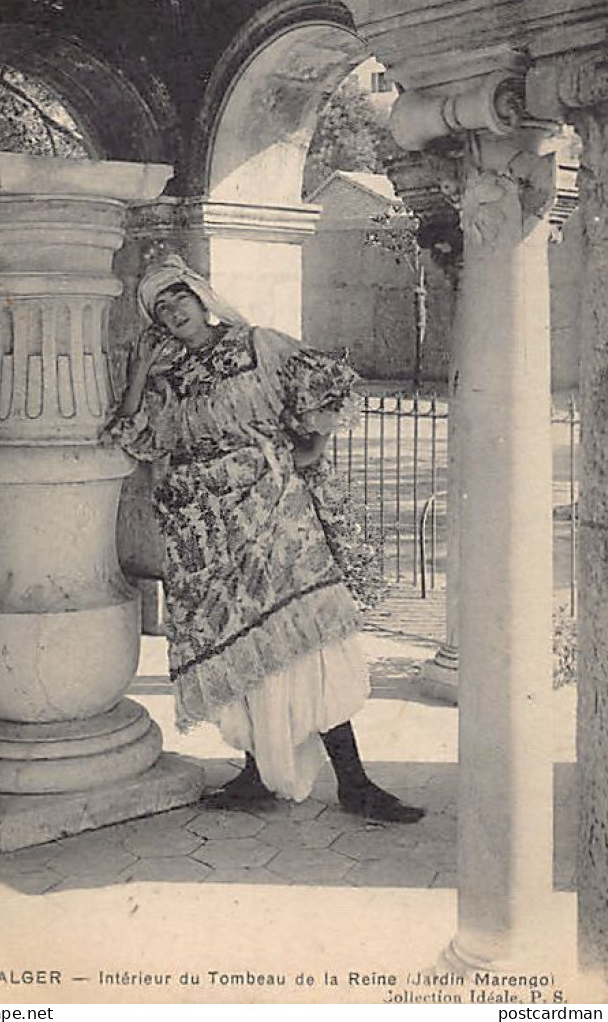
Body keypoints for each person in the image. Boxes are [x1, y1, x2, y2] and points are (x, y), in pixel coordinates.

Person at [105, 254, 424, 823]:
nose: (172, 311)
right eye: (160, 309)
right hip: (208, 534)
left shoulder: (260, 345)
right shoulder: (167, 378)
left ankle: (355, 783)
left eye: (178, 298)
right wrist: (138, 373)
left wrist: (312, 448)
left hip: (277, 519)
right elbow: (133, 440)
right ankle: (255, 775)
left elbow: (330, 384)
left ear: (202, 296)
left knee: (309, 644)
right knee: (243, 648)